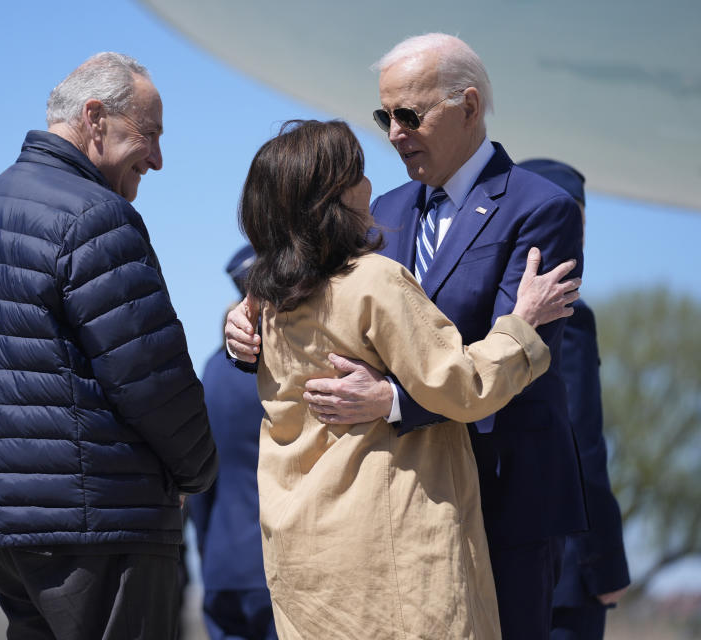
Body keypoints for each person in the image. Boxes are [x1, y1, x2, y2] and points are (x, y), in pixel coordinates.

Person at [226, 34, 588, 639]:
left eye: (409, 114)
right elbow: (316, 304)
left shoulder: (542, 208)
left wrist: (391, 399)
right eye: (384, 116)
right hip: (392, 512)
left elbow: (506, 347)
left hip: (505, 492)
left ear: (468, 107)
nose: (393, 133)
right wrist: (243, 326)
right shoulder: (375, 211)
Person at [0, 52, 218, 640]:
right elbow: (151, 377)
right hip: (99, 526)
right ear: (95, 117)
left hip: (5, 527)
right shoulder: (96, 215)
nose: (159, 160)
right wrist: (198, 471)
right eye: (151, 134)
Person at [518, 158, 631, 640]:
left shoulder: (481, 310)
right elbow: (582, 446)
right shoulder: (572, 319)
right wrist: (603, 565)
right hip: (562, 571)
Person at [186, 245, 277, 640]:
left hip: (223, 566)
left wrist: (208, 553)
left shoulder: (213, 370)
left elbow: (202, 481)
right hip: (280, 565)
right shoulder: (289, 368)